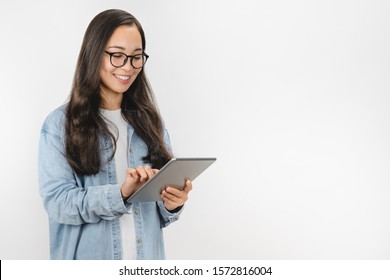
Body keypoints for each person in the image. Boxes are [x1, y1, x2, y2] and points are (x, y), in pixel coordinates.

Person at [38, 9, 192, 260]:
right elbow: (58, 204)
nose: (128, 67)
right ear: (94, 54)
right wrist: (120, 194)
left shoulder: (151, 123)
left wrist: (173, 202)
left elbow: (161, 215)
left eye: (136, 57)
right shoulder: (58, 125)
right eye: (117, 56)